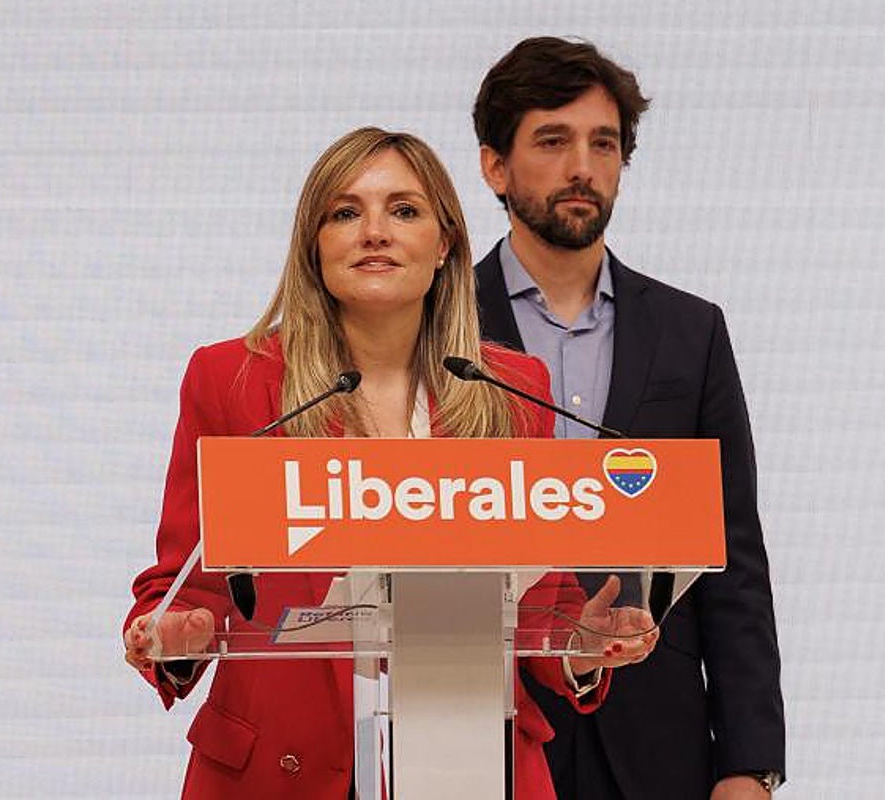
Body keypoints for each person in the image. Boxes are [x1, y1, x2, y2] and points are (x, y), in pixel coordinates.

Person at [123, 126, 657, 799]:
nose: (373, 231)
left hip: (470, 767)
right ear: (314, 247)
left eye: (403, 210)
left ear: (445, 245)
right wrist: (176, 633)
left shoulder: (513, 392)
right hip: (277, 772)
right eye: (345, 213)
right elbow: (185, 586)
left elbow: (539, 608)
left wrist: (583, 643)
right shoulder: (232, 379)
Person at [472, 37, 786, 799]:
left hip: (659, 740)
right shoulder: (436, 325)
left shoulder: (691, 331)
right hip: (486, 729)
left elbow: (732, 558)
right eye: (553, 140)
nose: (584, 166)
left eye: (603, 144)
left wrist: (750, 767)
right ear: (495, 167)